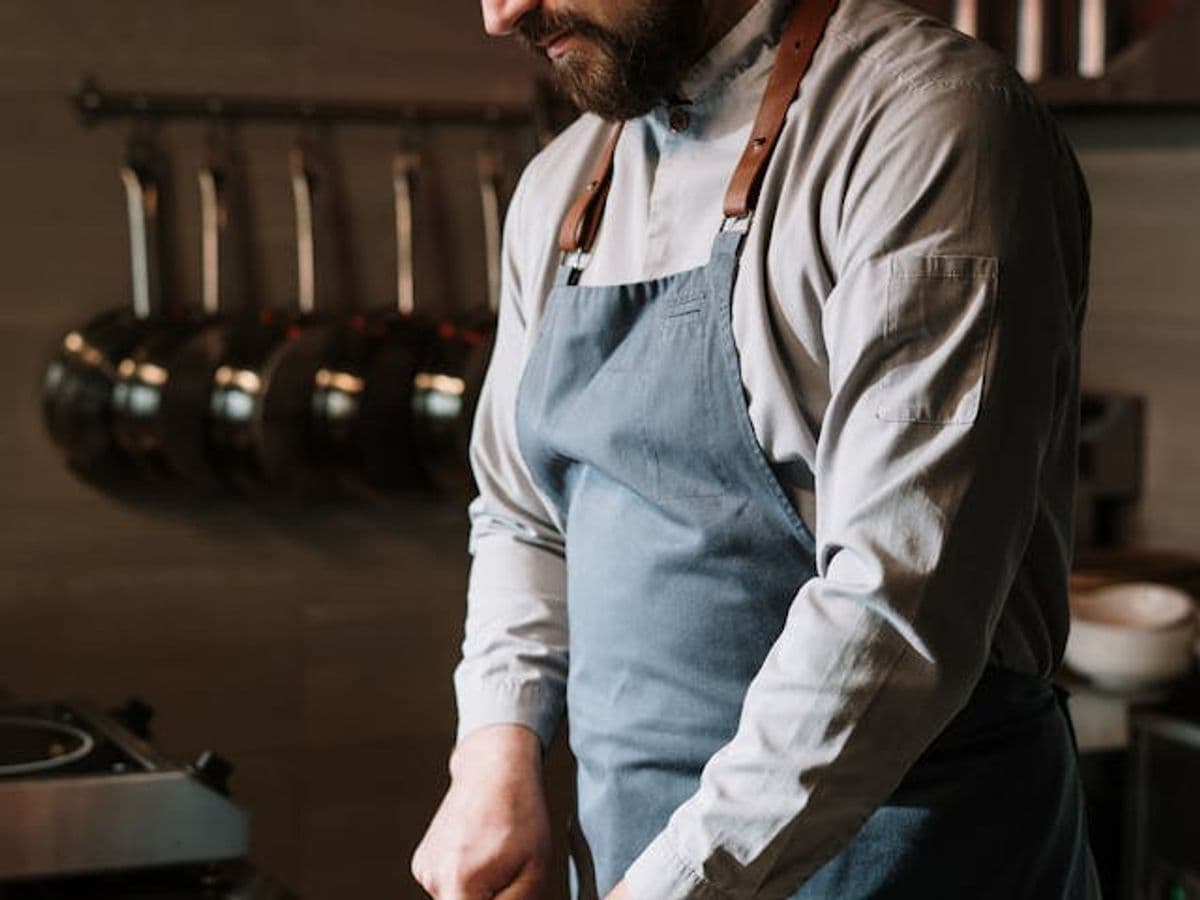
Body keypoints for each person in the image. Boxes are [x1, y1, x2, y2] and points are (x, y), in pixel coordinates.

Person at [413, 0, 1097, 897]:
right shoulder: (560, 187)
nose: (502, 16)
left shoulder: (928, 122)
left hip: (910, 866)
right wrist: (493, 756)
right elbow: (524, 515)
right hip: (647, 866)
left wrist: (670, 885)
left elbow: (896, 606)